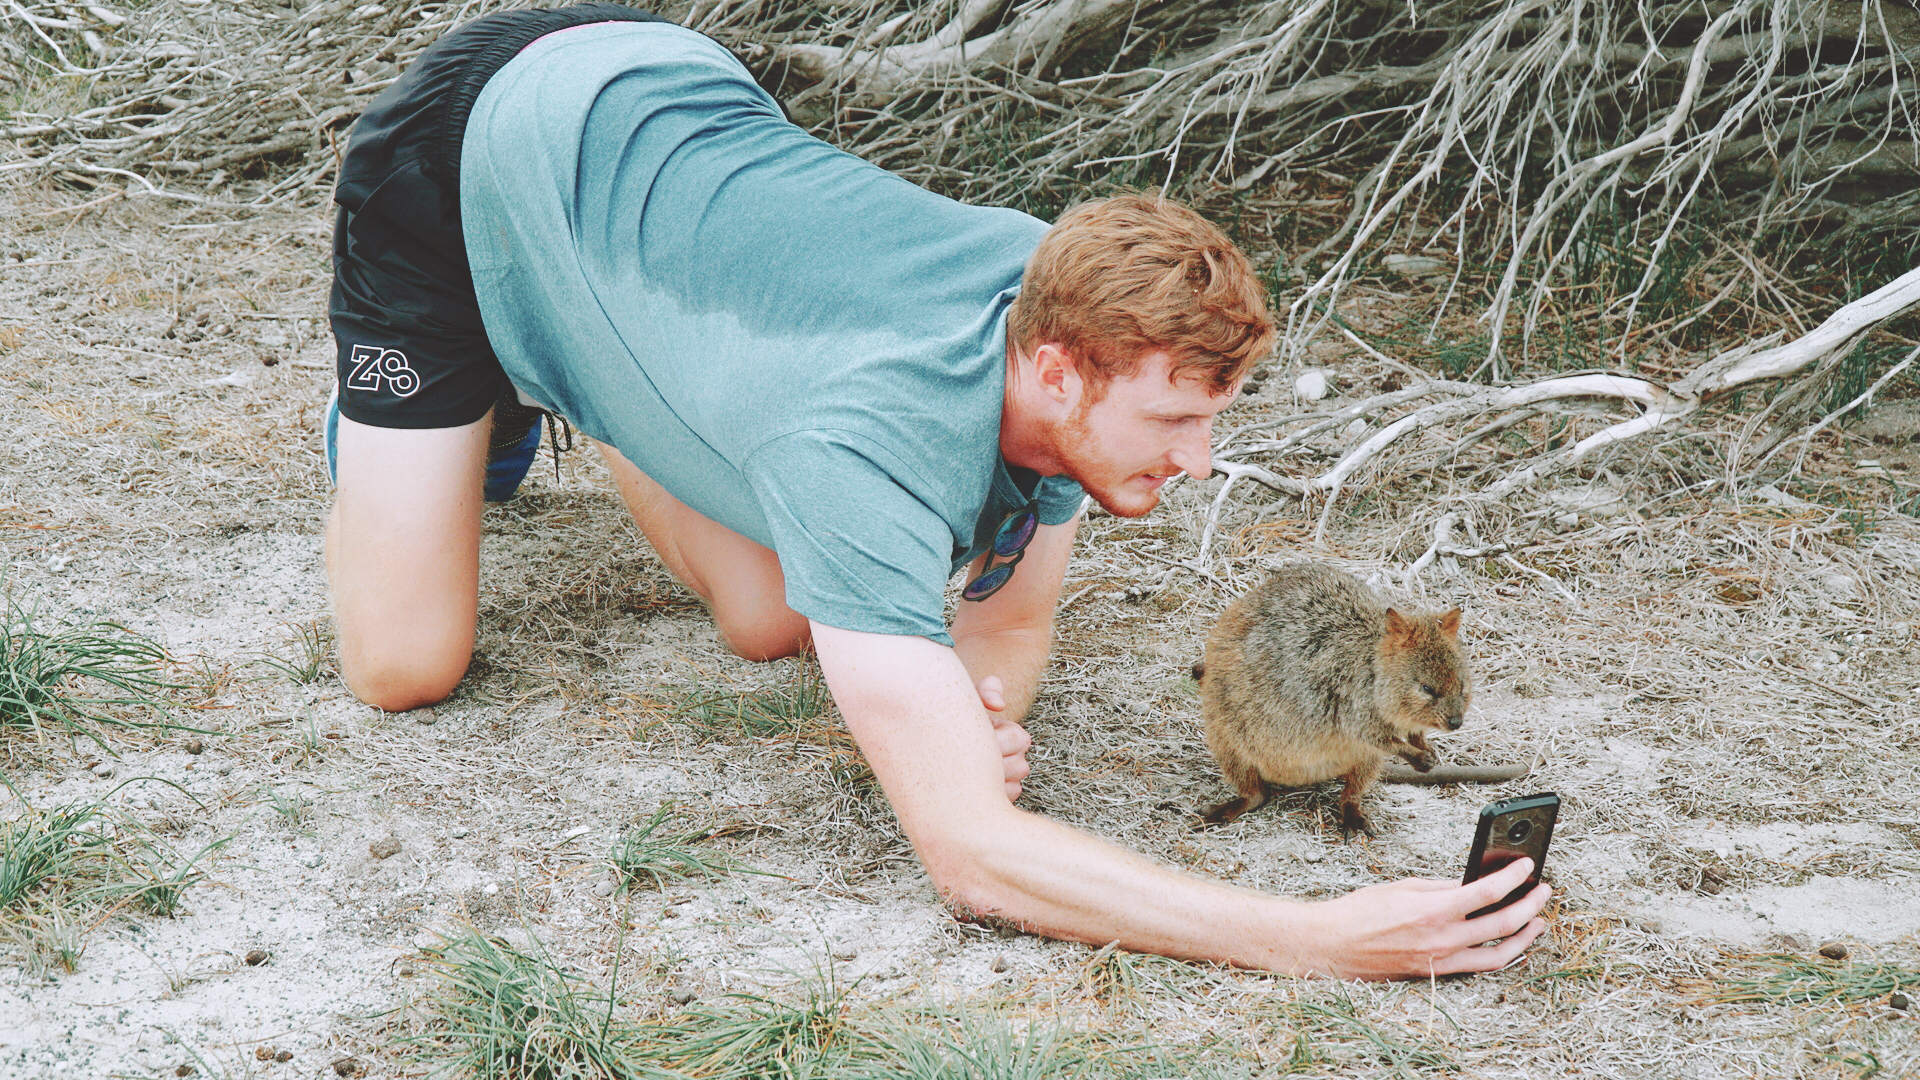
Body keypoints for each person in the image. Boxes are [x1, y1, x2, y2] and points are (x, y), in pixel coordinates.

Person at [324, 2, 1549, 979]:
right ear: (1059, 373)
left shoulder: (1062, 321)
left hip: (674, 84)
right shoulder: (868, 447)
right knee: (406, 663)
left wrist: (978, 710)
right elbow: (973, 862)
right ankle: (488, 364)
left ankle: (590, 361)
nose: (1199, 464)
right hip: (474, 144)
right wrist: (1314, 936)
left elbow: (1004, 622)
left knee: (771, 622)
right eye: (1176, 422)